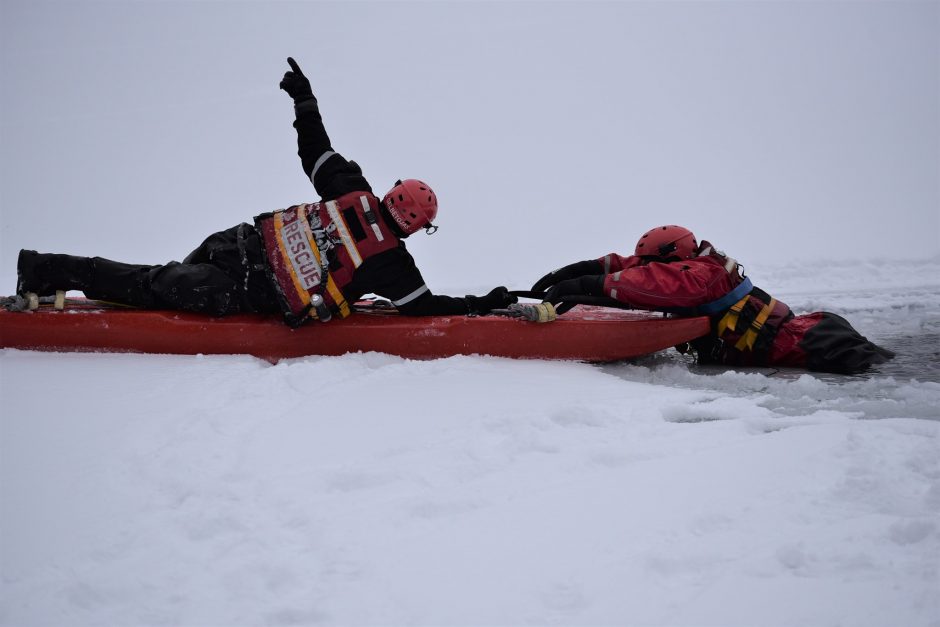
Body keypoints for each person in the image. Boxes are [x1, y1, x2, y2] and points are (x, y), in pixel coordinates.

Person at [14, 58, 516, 326]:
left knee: (158, 280)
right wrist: (484, 304)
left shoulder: (350, 188)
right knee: (152, 286)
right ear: (415, 226)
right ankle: (43, 269)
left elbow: (315, 149)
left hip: (232, 242)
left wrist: (305, 99)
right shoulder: (391, 263)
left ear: (390, 195)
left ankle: (47, 269)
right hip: (243, 289)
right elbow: (425, 307)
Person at [532, 225, 894, 373]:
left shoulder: (701, 276)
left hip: (812, 346)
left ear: (675, 256)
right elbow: (639, 266)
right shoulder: (698, 261)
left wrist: (591, 284)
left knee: (880, 369)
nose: (645, 266)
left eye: (655, 261)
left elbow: (654, 282)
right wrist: (583, 268)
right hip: (810, 329)